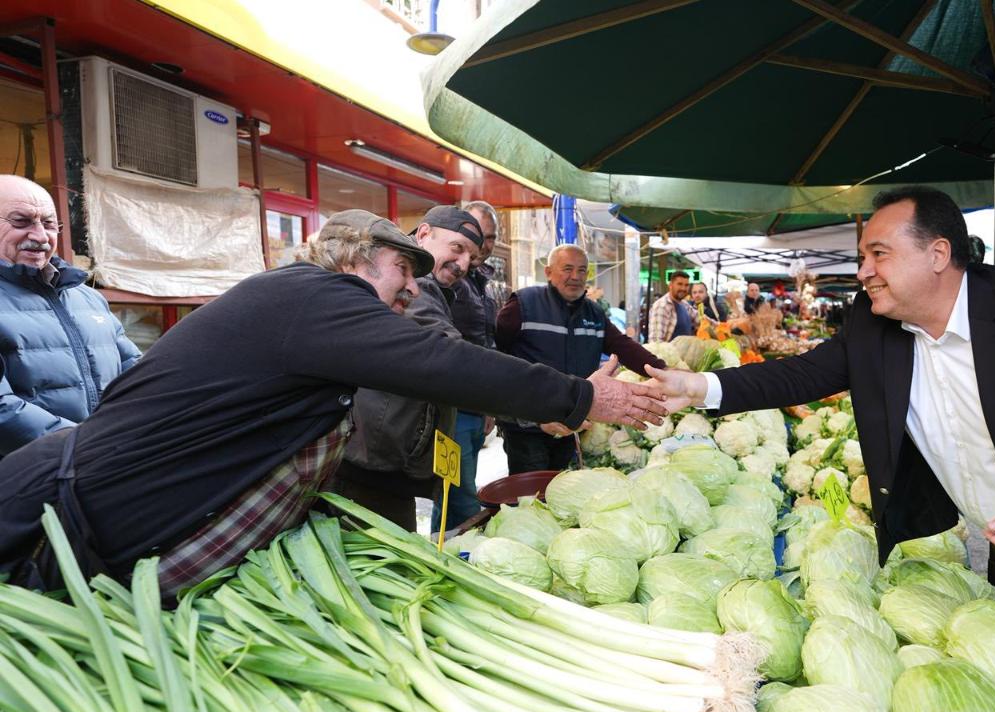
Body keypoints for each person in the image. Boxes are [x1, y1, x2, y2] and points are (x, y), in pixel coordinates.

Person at [646, 186, 995, 712]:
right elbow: (803, 376)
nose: (864, 270)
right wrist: (698, 388)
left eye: (878, 253)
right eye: (862, 255)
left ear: (938, 253)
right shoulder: (876, 326)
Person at [0, 209, 665, 597]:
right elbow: (437, 362)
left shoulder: (305, 309)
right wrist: (582, 397)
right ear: (357, 258)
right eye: (404, 275)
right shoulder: (315, 298)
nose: (409, 295)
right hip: (76, 517)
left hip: (108, 510)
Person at [334, 205, 482, 532]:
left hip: (391, 466)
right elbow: (450, 357)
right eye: (457, 249)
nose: (464, 264)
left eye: (472, 257)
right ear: (425, 233)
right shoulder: (420, 289)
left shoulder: (440, 291)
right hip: (372, 465)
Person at [0, 175, 141, 458]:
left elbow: (137, 375)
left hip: (101, 469)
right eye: (21, 221)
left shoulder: (87, 298)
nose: (40, 236)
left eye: (50, 224)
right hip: (23, 480)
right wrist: (87, 449)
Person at [496, 244, 665, 474]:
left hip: (571, 421)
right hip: (528, 427)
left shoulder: (593, 313)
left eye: (582, 270)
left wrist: (663, 371)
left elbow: (624, 347)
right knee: (531, 494)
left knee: (560, 490)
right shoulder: (524, 304)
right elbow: (497, 358)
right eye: (567, 269)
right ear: (548, 272)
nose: (575, 277)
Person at [436, 200, 500, 532]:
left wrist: (488, 404)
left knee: (456, 492)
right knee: (457, 496)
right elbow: (451, 350)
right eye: (462, 243)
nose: (480, 248)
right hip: (451, 407)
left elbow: (485, 343)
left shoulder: (479, 280)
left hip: (474, 405)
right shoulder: (442, 280)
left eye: (488, 239)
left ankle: (444, 548)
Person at [648, 270, 693, 342]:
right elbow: (656, 342)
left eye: (686, 285)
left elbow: (701, 320)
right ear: (670, 285)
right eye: (679, 284)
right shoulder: (662, 306)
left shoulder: (685, 305)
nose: (683, 288)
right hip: (669, 353)